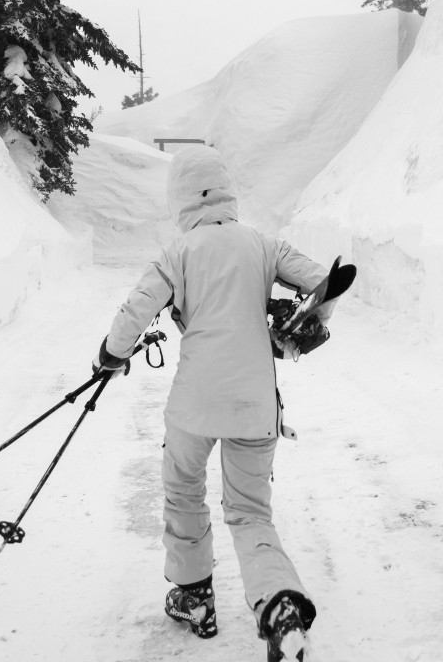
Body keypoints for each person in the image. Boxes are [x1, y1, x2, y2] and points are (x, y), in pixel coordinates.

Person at [93, 146, 326, 662]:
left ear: (180, 196)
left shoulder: (179, 252)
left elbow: (135, 310)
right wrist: (303, 320)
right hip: (254, 405)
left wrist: (110, 356)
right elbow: (320, 281)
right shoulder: (263, 244)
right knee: (249, 513)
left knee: (183, 492)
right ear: (226, 190)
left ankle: (195, 596)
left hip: (194, 404)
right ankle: (279, 606)